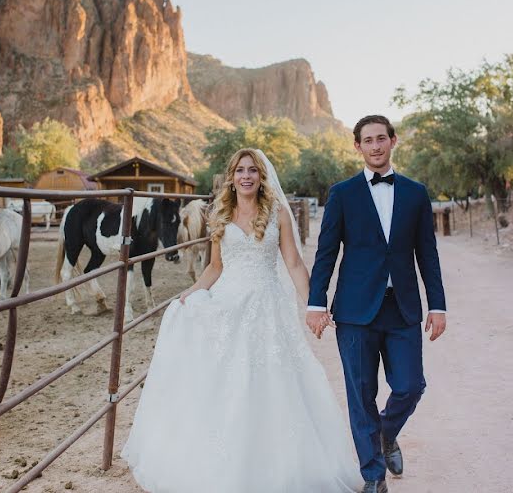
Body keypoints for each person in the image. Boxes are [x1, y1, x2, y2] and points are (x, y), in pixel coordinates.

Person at [122, 148, 363, 493]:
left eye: (253, 170)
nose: (246, 176)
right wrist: (192, 293)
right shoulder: (220, 214)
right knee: (228, 384)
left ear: (261, 176)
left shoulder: (277, 213)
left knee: (274, 382)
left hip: (267, 309)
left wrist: (314, 304)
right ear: (232, 177)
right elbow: (215, 267)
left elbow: (293, 263)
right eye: (240, 170)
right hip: (228, 307)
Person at [307, 115, 447, 493]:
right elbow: (326, 253)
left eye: (381, 138)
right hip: (354, 311)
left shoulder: (416, 193)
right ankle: (373, 476)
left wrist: (438, 305)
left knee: (410, 385)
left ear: (392, 141)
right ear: (357, 146)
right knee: (360, 394)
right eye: (367, 140)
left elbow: (427, 254)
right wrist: (315, 303)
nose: (375, 146)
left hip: (402, 307)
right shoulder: (342, 193)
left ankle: (385, 434)